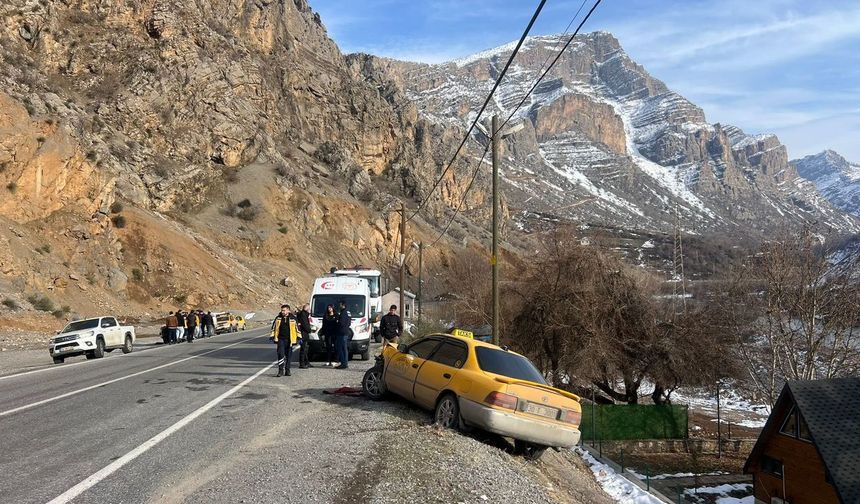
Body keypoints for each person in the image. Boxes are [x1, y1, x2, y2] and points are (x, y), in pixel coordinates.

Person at [271, 304, 298, 377]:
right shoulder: (278, 318)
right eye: (282, 310)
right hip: (281, 339)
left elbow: (297, 329)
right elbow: (274, 327)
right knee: (280, 354)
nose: (282, 312)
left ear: (288, 311)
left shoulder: (293, 318)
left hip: (290, 340)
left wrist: (299, 338)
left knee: (288, 355)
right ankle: (280, 370)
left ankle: (287, 370)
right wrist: (272, 336)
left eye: (284, 310)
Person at [335, 300, 351, 370]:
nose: (339, 306)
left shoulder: (343, 313)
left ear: (343, 305)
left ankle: (343, 363)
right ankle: (345, 363)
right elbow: (349, 323)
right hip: (346, 332)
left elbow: (341, 323)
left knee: (340, 348)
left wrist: (337, 321)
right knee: (344, 349)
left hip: (341, 333)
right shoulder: (348, 312)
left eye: (340, 304)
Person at [296, 303, 313, 369]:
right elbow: (305, 324)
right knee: (303, 349)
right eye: (309, 308)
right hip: (303, 334)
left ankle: (306, 362)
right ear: (307, 308)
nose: (310, 310)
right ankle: (302, 363)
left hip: (304, 334)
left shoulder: (304, 314)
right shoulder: (303, 314)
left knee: (305, 349)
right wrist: (309, 330)